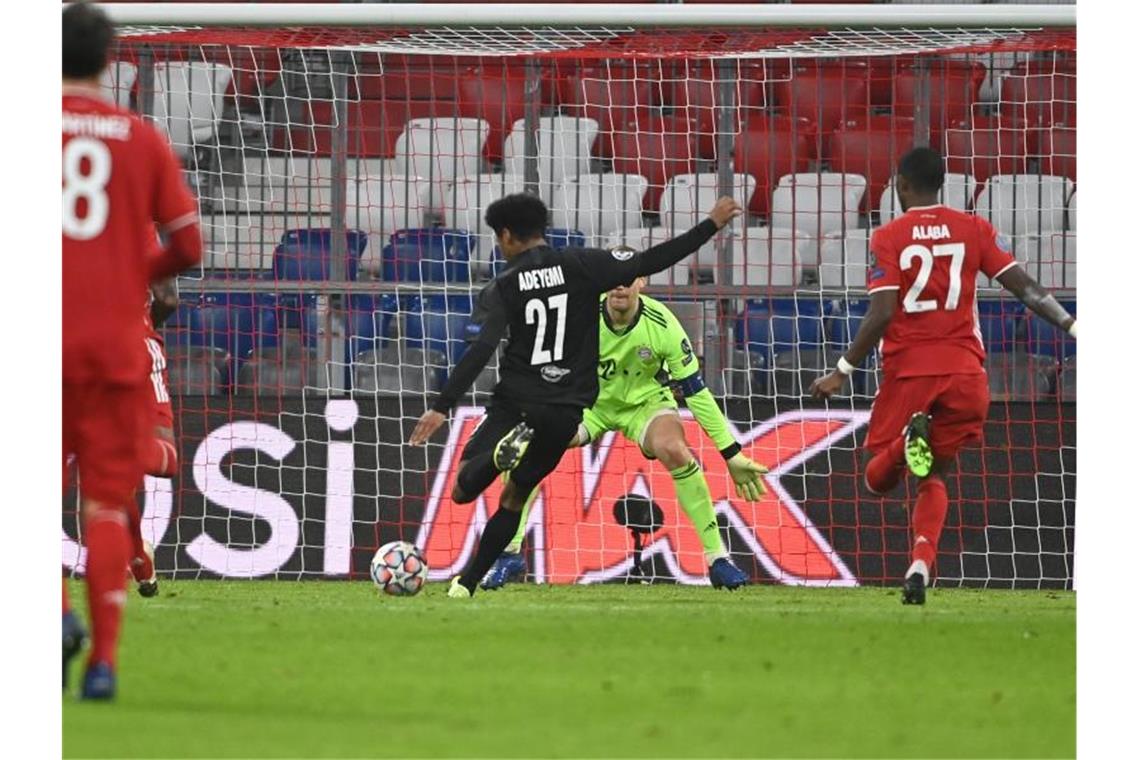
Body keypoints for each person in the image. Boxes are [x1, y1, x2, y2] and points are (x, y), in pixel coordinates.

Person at [409, 193, 743, 598]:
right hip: (577, 407)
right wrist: (711, 223)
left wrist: (442, 405)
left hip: (542, 402)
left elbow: (481, 349)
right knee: (519, 486)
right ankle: (475, 578)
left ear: (507, 235)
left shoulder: (505, 284)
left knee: (467, 488)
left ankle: (716, 557)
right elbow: (658, 257)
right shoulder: (583, 266)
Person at [809, 147, 1076, 605]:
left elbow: (882, 312)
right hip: (965, 375)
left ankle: (903, 442)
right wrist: (1075, 326)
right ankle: (921, 563)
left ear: (902, 185)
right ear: (943, 186)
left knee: (878, 480)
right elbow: (1026, 289)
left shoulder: (889, 236)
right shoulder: (973, 229)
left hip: (911, 371)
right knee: (936, 473)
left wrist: (842, 369)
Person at [63, 2, 202, 698]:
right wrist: (124, 275)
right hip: (117, 345)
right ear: (110, 58)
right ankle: (104, 665)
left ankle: (57, 614)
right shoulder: (139, 137)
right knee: (109, 508)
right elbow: (189, 248)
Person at [481, 275, 768, 591]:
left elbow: (695, 392)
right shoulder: (580, 316)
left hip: (644, 404)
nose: (619, 285)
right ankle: (509, 554)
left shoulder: (663, 324)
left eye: (627, 279)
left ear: (641, 282)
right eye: (612, 278)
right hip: (588, 402)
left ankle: (718, 559)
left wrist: (731, 453)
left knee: (675, 449)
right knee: (532, 444)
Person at [127, 278, 181, 599]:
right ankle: (137, 554)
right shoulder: (139, 231)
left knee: (162, 463)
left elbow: (167, 300)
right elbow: (168, 298)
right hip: (109, 354)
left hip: (132, 353)